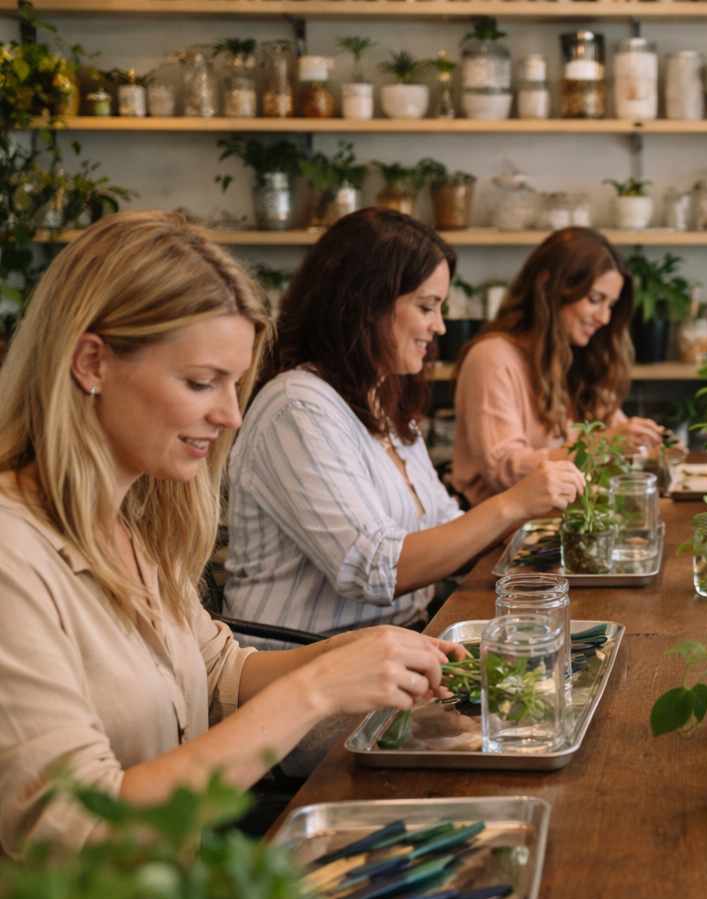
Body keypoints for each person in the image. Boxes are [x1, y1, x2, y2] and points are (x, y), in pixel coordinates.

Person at [0, 211, 461, 857]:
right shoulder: (13, 556)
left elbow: (216, 669)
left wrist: (354, 652)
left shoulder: (134, 521)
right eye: (200, 382)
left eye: (234, 383)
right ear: (90, 363)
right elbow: (78, 831)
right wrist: (316, 690)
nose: (231, 414)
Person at [223, 209, 583, 642]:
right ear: (365, 302)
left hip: (395, 643)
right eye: (427, 306)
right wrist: (513, 504)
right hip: (304, 664)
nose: (440, 326)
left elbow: (445, 526)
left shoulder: (379, 397)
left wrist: (544, 512)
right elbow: (373, 571)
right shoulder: (296, 406)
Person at [452, 227, 663, 507]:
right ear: (547, 285)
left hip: (561, 522)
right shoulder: (491, 357)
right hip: (500, 539)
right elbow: (503, 469)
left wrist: (649, 443)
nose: (604, 317)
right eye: (594, 299)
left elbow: (618, 429)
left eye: (610, 304)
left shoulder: (574, 356)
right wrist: (603, 446)